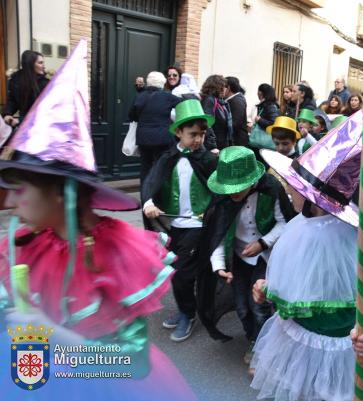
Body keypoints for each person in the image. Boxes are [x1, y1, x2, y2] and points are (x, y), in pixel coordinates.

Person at [0, 41, 197, 401]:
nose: (10, 201)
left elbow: (130, 365)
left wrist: (53, 337)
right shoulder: (23, 244)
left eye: (20, 187)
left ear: (61, 191)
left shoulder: (117, 251)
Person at [249, 102, 363, 401]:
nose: (288, 189)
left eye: (294, 185)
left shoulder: (349, 239)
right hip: (295, 342)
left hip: (336, 351)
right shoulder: (300, 228)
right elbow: (300, 286)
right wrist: (269, 289)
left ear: (314, 198)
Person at [206, 146, 295, 365]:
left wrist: (263, 243)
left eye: (238, 187)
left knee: (259, 304)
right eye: (229, 188)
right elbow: (216, 233)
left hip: (266, 256)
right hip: (238, 258)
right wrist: (219, 266)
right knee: (242, 306)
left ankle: (261, 345)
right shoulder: (224, 198)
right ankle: (252, 336)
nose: (233, 192)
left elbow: (285, 223)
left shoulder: (271, 188)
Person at [142, 99, 218, 342]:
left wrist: (212, 212)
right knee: (175, 271)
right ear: (178, 132)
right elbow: (152, 181)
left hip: (198, 225)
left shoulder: (206, 159)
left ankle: (189, 313)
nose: (198, 139)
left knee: (184, 273)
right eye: (192, 134)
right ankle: (187, 308)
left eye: (202, 134)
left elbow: (220, 190)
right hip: (175, 225)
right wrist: (149, 203)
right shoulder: (168, 157)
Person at [128, 71, 181, 193]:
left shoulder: (140, 96)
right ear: (162, 83)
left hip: (143, 138)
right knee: (161, 167)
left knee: (145, 168)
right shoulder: (168, 97)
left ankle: (145, 196)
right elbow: (183, 104)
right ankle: (158, 196)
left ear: (148, 82)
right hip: (162, 138)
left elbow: (132, 116)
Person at [3, 50, 50, 128]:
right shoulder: (15, 80)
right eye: (40, 63)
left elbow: (44, 110)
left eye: (43, 63)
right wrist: (7, 114)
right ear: (30, 65)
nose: (44, 66)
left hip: (40, 125)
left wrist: (21, 120)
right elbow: (12, 101)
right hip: (23, 125)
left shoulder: (45, 83)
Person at [201, 74, 232, 150]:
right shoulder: (209, 100)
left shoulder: (219, 101)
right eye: (224, 86)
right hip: (214, 146)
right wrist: (213, 146)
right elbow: (207, 123)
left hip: (221, 143)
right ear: (218, 86)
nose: (225, 89)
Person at [224, 76, 249, 147]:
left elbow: (235, 123)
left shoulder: (237, 101)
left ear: (228, 88)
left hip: (237, 141)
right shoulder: (232, 99)